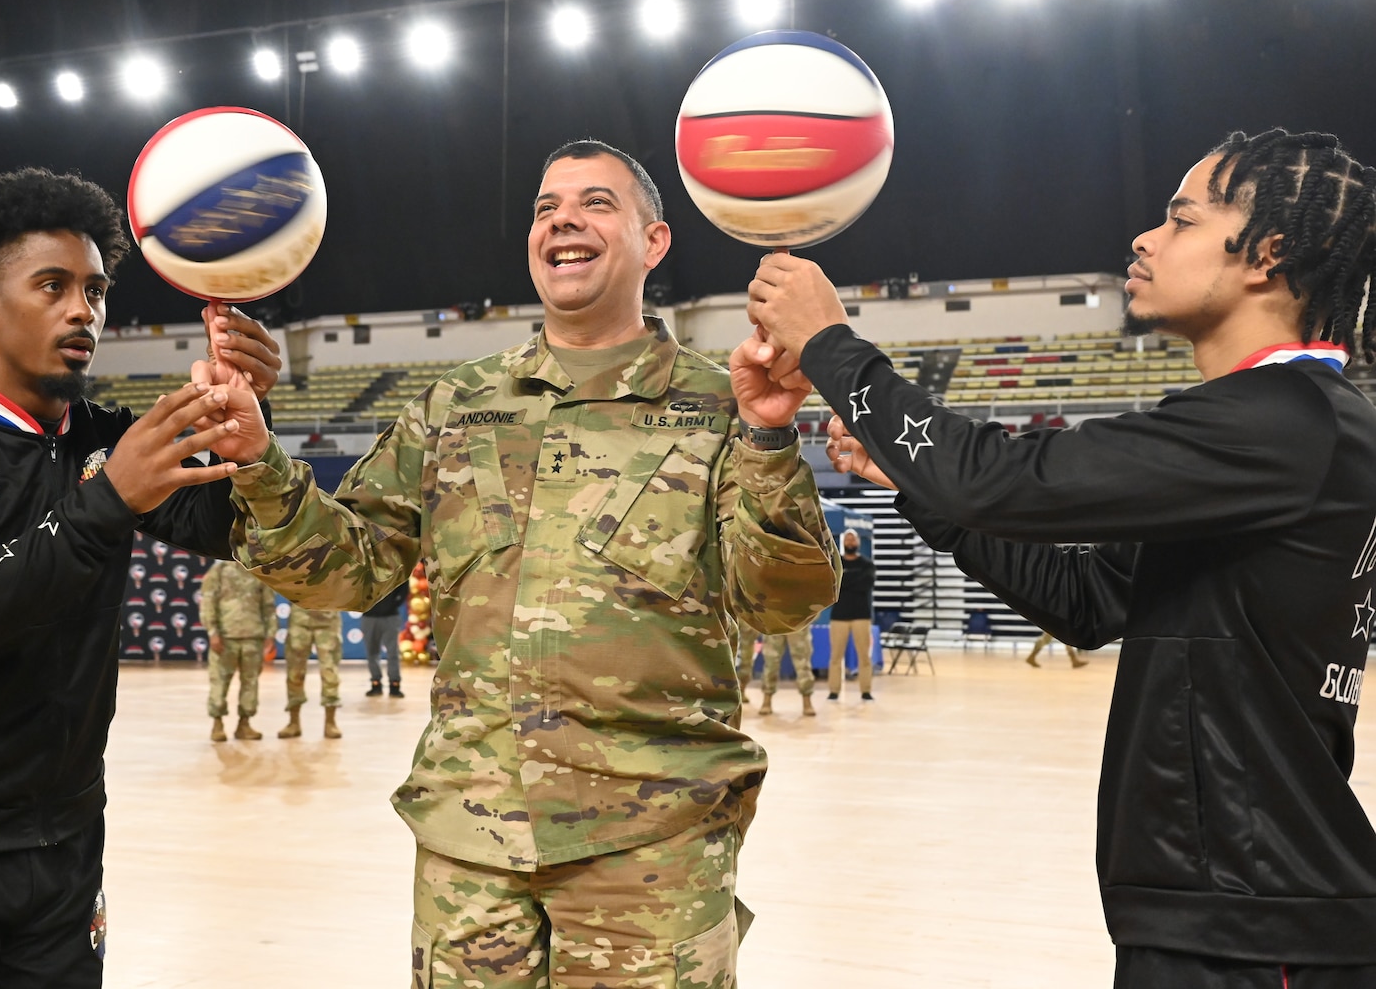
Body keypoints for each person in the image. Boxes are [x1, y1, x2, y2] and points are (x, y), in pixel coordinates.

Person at [747, 129, 1376, 985]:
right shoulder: (1280, 424)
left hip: (1256, 926)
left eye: (1180, 220)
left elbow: (997, 480)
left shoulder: (1281, 421)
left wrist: (830, 346)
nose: (1145, 239)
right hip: (1216, 909)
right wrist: (913, 484)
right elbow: (1082, 599)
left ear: (1265, 254)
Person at [221, 140, 839, 986]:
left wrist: (768, 438)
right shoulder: (454, 406)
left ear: (653, 242)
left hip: (651, 844)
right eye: (546, 208)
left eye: (594, 204)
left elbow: (778, 604)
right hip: (469, 844)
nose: (562, 223)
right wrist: (261, 463)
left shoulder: (718, 404)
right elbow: (348, 571)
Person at [0, 167, 280, 988]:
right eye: (54, 285)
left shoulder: (110, 440)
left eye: (97, 289)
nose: (85, 310)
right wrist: (106, 501)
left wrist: (251, 435)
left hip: (66, 840)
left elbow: (232, 531)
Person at [200, 559, 278, 741]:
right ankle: (217, 724)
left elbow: (268, 604)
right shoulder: (219, 569)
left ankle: (245, 724)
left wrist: (271, 634)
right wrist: (213, 633)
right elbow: (208, 601)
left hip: (253, 636)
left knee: (250, 682)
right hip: (226, 636)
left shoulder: (258, 569)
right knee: (219, 681)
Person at [828, 529, 876, 701]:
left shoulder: (867, 564)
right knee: (835, 656)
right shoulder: (836, 564)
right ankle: (834, 690)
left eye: (853, 539)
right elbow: (833, 584)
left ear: (858, 543)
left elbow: (866, 583)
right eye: (847, 539)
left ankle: (866, 690)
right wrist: (853, 580)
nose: (850, 542)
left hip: (861, 616)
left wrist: (846, 581)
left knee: (864, 656)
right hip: (839, 616)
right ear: (843, 542)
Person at [281, 604, 343, 739]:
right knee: (295, 673)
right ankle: (293, 722)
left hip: (328, 619)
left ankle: (330, 722)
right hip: (299, 619)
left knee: (329, 672)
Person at [360, 579, 408, 698]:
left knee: (393, 652)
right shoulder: (365, 566)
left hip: (391, 616)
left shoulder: (395, 566)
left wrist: (393, 604)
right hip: (369, 617)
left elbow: (404, 585)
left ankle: (394, 685)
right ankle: (375, 684)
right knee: (372, 652)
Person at [757, 625, 816, 716]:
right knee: (771, 661)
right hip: (773, 620)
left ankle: (807, 700)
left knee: (803, 662)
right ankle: (767, 699)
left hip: (798, 620)